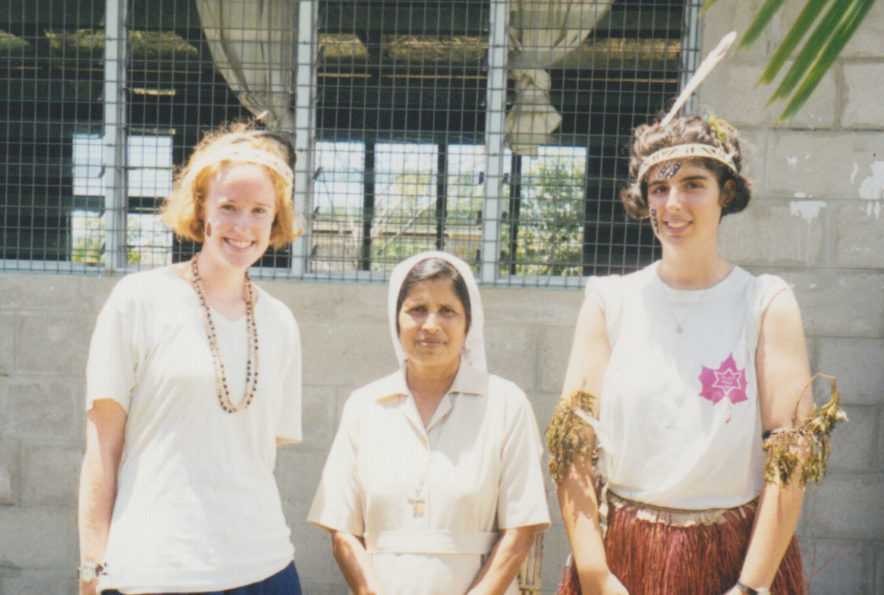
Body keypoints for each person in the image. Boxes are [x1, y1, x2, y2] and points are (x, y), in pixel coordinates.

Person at [549, 115, 844, 595]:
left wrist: (750, 587)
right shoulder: (609, 302)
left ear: (726, 192)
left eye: (693, 185)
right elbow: (572, 451)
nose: (674, 204)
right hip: (623, 559)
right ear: (644, 200)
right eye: (660, 188)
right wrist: (596, 574)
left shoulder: (765, 303)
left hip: (735, 561)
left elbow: (791, 458)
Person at [77, 122, 303, 594]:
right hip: (158, 572)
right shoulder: (138, 299)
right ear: (201, 210)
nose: (243, 226)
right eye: (229, 207)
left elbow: (252, 456)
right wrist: (92, 568)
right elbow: (102, 450)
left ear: (275, 218)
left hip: (265, 570)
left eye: (259, 210)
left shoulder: (280, 322)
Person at [308, 251, 550, 594]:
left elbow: (520, 531)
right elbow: (343, 532)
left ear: (469, 324)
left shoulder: (506, 405)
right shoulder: (364, 407)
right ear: (396, 320)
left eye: (447, 311)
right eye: (417, 310)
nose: (431, 325)